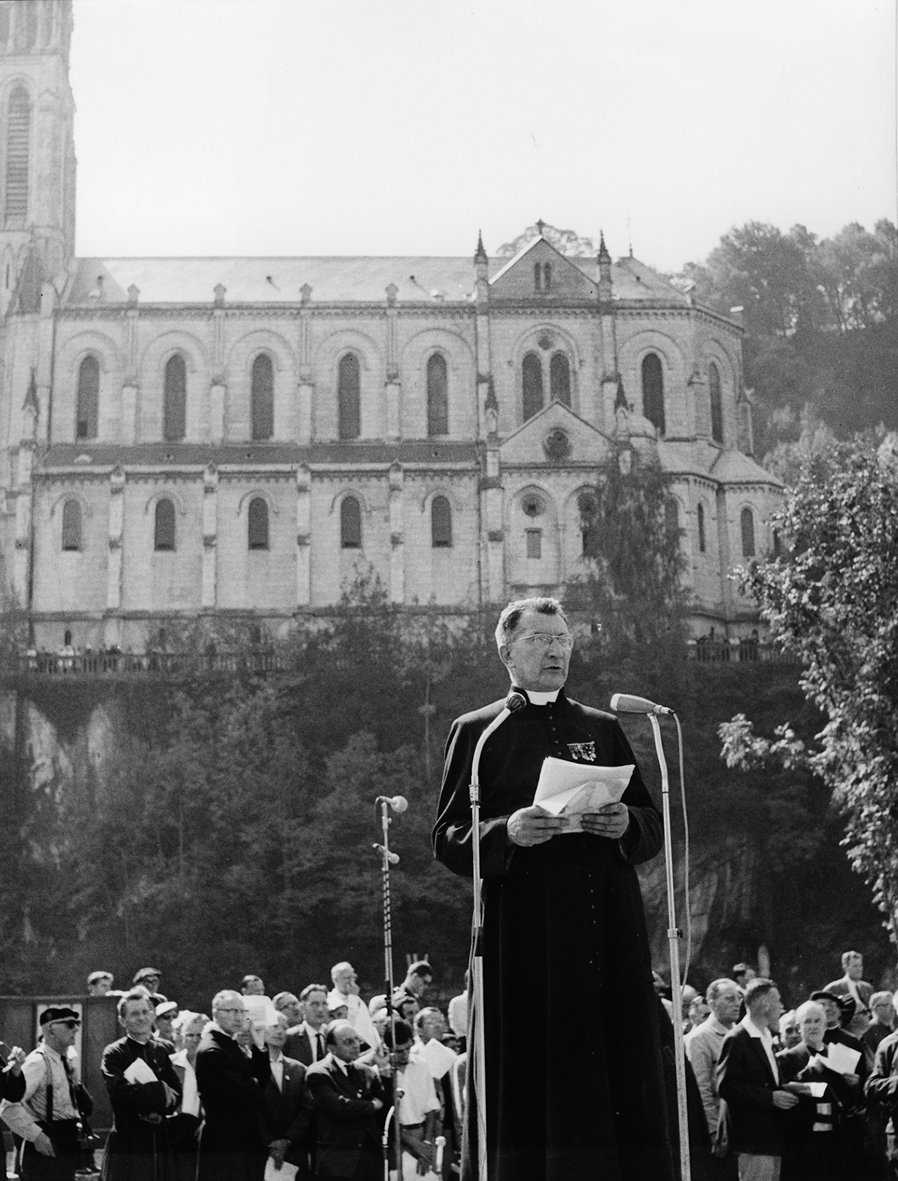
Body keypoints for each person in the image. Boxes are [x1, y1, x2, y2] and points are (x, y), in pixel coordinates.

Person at [433, 596, 674, 1181]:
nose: (556, 650)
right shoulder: (479, 732)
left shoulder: (602, 727)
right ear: (506, 651)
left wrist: (628, 824)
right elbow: (447, 837)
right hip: (526, 938)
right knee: (537, 1076)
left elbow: (649, 820)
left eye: (563, 639)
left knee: (618, 1065)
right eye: (541, 639)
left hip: (606, 932)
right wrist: (506, 830)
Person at [716, 977, 799, 1181]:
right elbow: (726, 1086)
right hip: (751, 1141)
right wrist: (770, 1097)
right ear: (764, 1005)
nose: (781, 1007)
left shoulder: (766, 1037)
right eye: (778, 1001)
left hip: (770, 1139)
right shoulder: (737, 1039)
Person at [0, 1006, 94, 1181]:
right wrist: (36, 1136)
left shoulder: (62, 1061)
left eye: (77, 1023)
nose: (76, 1028)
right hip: (44, 1148)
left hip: (65, 1145)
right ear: (50, 1029)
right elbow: (8, 1108)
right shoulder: (38, 1062)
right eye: (69, 1024)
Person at [100, 990, 181, 1181]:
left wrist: (159, 1102)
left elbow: (177, 1092)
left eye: (145, 1012)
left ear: (152, 1015)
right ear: (122, 1020)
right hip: (128, 1141)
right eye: (134, 1014)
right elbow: (120, 1094)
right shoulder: (114, 1053)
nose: (142, 1018)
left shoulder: (163, 1049)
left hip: (159, 1138)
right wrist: (160, 1090)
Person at [194, 989, 272, 1181]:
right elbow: (250, 1094)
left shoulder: (229, 1043)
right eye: (232, 1011)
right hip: (225, 1142)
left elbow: (261, 1079)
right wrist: (251, 1083)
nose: (239, 1017)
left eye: (242, 1012)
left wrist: (258, 1042)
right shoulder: (213, 1050)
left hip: (240, 1139)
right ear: (216, 1013)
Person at [304, 1021, 386, 1181]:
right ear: (331, 1047)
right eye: (348, 1042)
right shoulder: (318, 1073)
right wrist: (372, 1105)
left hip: (370, 1157)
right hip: (338, 1160)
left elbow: (385, 1102)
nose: (356, 1045)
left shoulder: (366, 1072)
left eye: (357, 1040)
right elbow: (340, 1107)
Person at [685, 978, 742, 1179]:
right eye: (729, 998)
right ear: (711, 1002)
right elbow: (702, 1090)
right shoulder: (699, 1038)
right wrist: (713, 1132)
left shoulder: (741, 1034)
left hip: (742, 1128)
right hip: (720, 1132)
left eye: (739, 998)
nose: (737, 1003)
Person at [384, 1020, 440, 1180]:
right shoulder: (382, 1073)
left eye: (408, 1048)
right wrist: (413, 1144)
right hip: (396, 1142)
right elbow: (385, 1118)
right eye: (399, 1050)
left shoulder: (421, 1065)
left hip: (422, 1134)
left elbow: (431, 1108)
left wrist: (426, 1146)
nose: (405, 1054)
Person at [259, 1013, 312, 1178]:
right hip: (260, 1151)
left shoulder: (299, 1069)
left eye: (284, 1028)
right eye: (275, 1026)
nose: (280, 1032)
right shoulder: (249, 1067)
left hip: (293, 1152)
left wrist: (287, 1140)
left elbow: (306, 1110)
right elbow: (251, 1110)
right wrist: (270, 1142)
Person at [168, 1012, 206, 1181]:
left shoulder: (214, 1065)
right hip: (175, 1133)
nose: (195, 1039)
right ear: (182, 1037)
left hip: (203, 1133)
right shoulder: (171, 1063)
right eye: (190, 1035)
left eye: (200, 1035)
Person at [328, 962, 380, 1049]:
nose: (350, 982)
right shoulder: (330, 1001)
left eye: (352, 978)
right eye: (346, 978)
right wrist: (353, 997)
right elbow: (350, 1023)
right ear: (335, 980)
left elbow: (367, 1026)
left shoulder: (357, 1000)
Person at [824, 951, 874, 1040]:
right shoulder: (833, 988)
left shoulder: (868, 988)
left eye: (860, 965)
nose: (859, 969)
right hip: (844, 1035)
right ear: (845, 967)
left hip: (868, 1035)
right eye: (855, 966)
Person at [285, 983, 330, 1067]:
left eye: (324, 1004)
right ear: (302, 1008)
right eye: (314, 1004)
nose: (320, 1009)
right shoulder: (290, 1037)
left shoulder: (332, 1036)